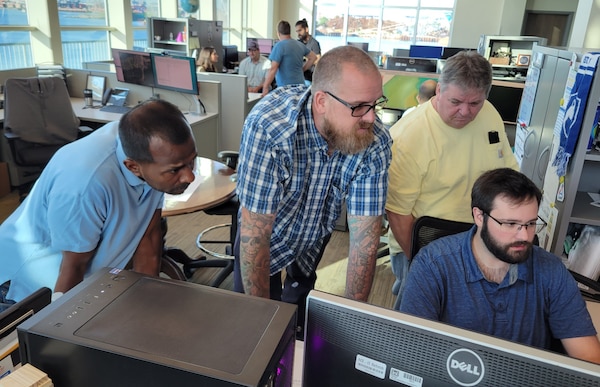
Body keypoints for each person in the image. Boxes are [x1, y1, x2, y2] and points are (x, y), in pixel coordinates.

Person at [235, 45, 392, 338]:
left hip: (314, 230)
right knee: (252, 326)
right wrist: (261, 336)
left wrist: (351, 329)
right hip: (267, 233)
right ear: (321, 101)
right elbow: (255, 240)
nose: (371, 118)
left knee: (300, 311)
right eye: (359, 106)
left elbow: (365, 243)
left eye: (375, 103)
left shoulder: (374, 140)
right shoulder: (270, 128)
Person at [0, 100, 197, 311]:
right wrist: (59, 330)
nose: (190, 176)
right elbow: (73, 268)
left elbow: (148, 237)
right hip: (27, 288)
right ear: (133, 167)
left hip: (86, 278)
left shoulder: (151, 153)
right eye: (176, 170)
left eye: (191, 161)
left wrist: (146, 308)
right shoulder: (85, 182)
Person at [400, 168, 600, 364]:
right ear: (479, 216)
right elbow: (412, 352)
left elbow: (589, 359)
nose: (524, 235)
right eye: (510, 224)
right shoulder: (432, 265)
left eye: (530, 224)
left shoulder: (552, 270)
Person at [385, 50, 518, 309]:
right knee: (418, 320)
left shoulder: (489, 114)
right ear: (438, 91)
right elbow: (397, 213)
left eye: (474, 103)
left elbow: (507, 172)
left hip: (478, 239)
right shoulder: (410, 135)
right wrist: (423, 264)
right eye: (456, 101)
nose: (465, 112)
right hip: (425, 241)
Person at [261, 20, 317, 96]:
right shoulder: (299, 44)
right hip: (300, 88)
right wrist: (302, 69)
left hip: (286, 90)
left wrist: (265, 87)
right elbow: (313, 57)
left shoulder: (279, 46)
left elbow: (273, 69)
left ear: (278, 33)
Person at [295, 18, 321, 84]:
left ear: (306, 29)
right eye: (297, 31)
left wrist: (305, 58)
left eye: (300, 30)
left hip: (309, 76)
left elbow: (317, 59)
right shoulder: (298, 43)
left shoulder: (314, 43)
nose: (298, 34)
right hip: (298, 75)